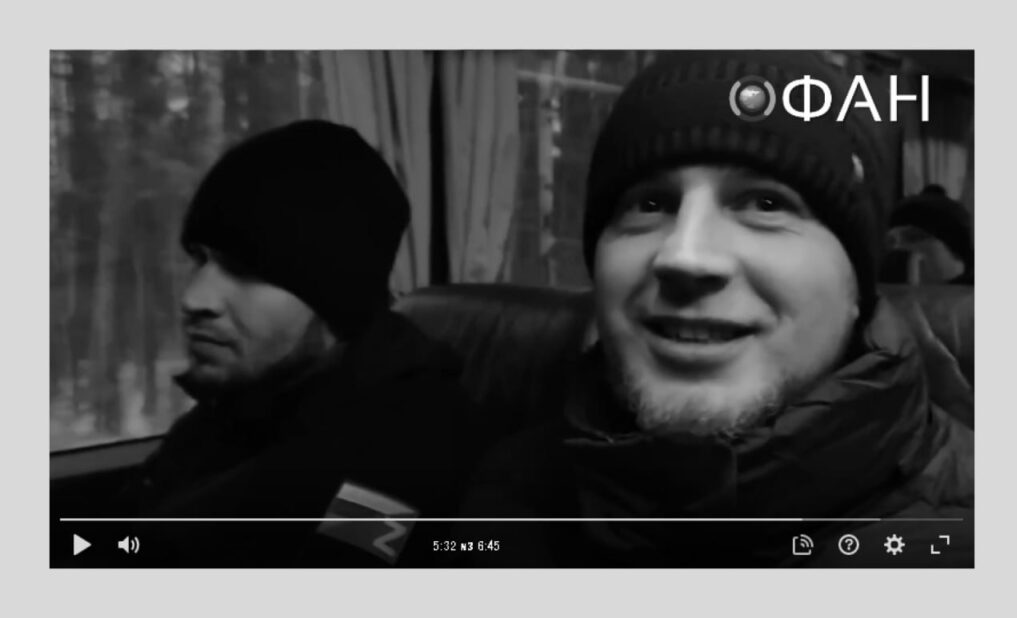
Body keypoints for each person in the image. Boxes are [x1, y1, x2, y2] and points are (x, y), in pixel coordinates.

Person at [458, 51, 973, 567]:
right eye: (650, 204)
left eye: (766, 204)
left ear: (857, 286)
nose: (684, 257)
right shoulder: (508, 494)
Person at [118, 120, 471, 567]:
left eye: (246, 270)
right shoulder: (246, 401)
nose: (194, 299)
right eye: (200, 260)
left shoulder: (407, 446)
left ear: (336, 302)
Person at [881, 184, 973, 284]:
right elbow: (964, 233)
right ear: (943, 195)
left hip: (897, 235)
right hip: (940, 235)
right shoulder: (953, 207)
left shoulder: (907, 202)